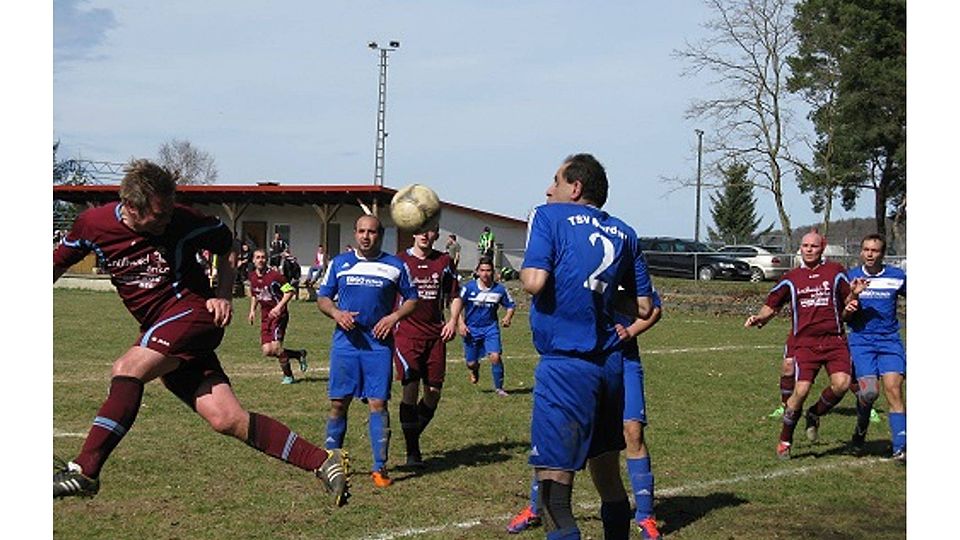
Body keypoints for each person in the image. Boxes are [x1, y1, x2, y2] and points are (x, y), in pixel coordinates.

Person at [52, 159, 349, 506]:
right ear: (131, 206)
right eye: (159, 214)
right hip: (160, 328)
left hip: (194, 314)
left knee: (127, 369)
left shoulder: (183, 220)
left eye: (169, 211)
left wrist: (223, 294)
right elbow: (55, 262)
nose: (167, 219)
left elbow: (229, 246)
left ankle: (85, 470)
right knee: (226, 418)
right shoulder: (92, 224)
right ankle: (322, 461)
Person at [520, 153, 654, 539]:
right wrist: (600, 289)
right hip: (610, 367)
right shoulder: (625, 232)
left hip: (566, 365)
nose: (549, 189)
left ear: (575, 188)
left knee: (553, 493)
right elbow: (644, 306)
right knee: (608, 477)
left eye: (556, 181)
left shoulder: (547, 217)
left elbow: (533, 282)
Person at [316, 214, 419, 488]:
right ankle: (331, 463)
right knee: (339, 403)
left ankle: (379, 467)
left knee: (378, 403)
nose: (365, 236)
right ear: (355, 233)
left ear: (380, 235)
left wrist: (393, 317)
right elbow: (323, 298)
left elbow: (412, 299)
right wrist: (336, 313)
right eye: (361, 231)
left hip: (378, 346)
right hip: (346, 345)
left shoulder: (395, 265)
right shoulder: (340, 263)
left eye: (371, 232)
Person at [745, 230, 866, 459]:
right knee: (800, 391)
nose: (809, 249)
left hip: (834, 340)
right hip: (805, 343)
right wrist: (760, 318)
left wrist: (854, 297)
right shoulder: (791, 278)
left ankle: (814, 413)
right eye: (805, 246)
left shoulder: (835, 272)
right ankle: (785, 440)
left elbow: (847, 300)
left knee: (842, 384)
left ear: (822, 248)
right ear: (800, 248)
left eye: (814, 246)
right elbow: (772, 304)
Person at [393, 222, 463, 470]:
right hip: (407, 334)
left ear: (436, 234)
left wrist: (453, 321)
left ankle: (411, 433)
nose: (424, 234)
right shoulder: (399, 261)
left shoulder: (444, 261)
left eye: (430, 230)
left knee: (433, 393)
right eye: (421, 230)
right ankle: (413, 452)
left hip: (435, 336)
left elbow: (455, 295)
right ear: (413, 232)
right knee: (410, 390)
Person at [844, 234, 907, 461]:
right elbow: (843, 315)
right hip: (861, 341)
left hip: (890, 341)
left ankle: (901, 447)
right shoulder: (851, 276)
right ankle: (860, 431)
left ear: (883, 253)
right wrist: (853, 295)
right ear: (861, 251)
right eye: (866, 249)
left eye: (875, 250)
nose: (870, 254)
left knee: (894, 389)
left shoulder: (897, 277)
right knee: (869, 392)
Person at [247, 248, 308, 384]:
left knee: (276, 347)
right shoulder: (252, 276)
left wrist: (278, 307)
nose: (260, 260)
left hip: (279, 315)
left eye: (263, 257)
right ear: (253, 260)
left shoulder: (275, 276)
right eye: (258, 257)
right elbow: (255, 294)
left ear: (267, 259)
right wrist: (252, 311)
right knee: (267, 351)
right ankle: (298, 354)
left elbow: (289, 291)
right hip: (265, 317)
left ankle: (288, 376)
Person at [458, 257, 516, 396]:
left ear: (493, 272)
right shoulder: (469, 288)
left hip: (490, 328)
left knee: (495, 356)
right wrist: (460, 323)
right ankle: (474, 369)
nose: (485, 274)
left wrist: (508, 317)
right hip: (471, 329)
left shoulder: (499, 289)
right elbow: (456, 305)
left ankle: (499, 388)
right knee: (471, 363)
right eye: (482, 270)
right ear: (477, 271)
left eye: (488, 270)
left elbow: (510, 305)